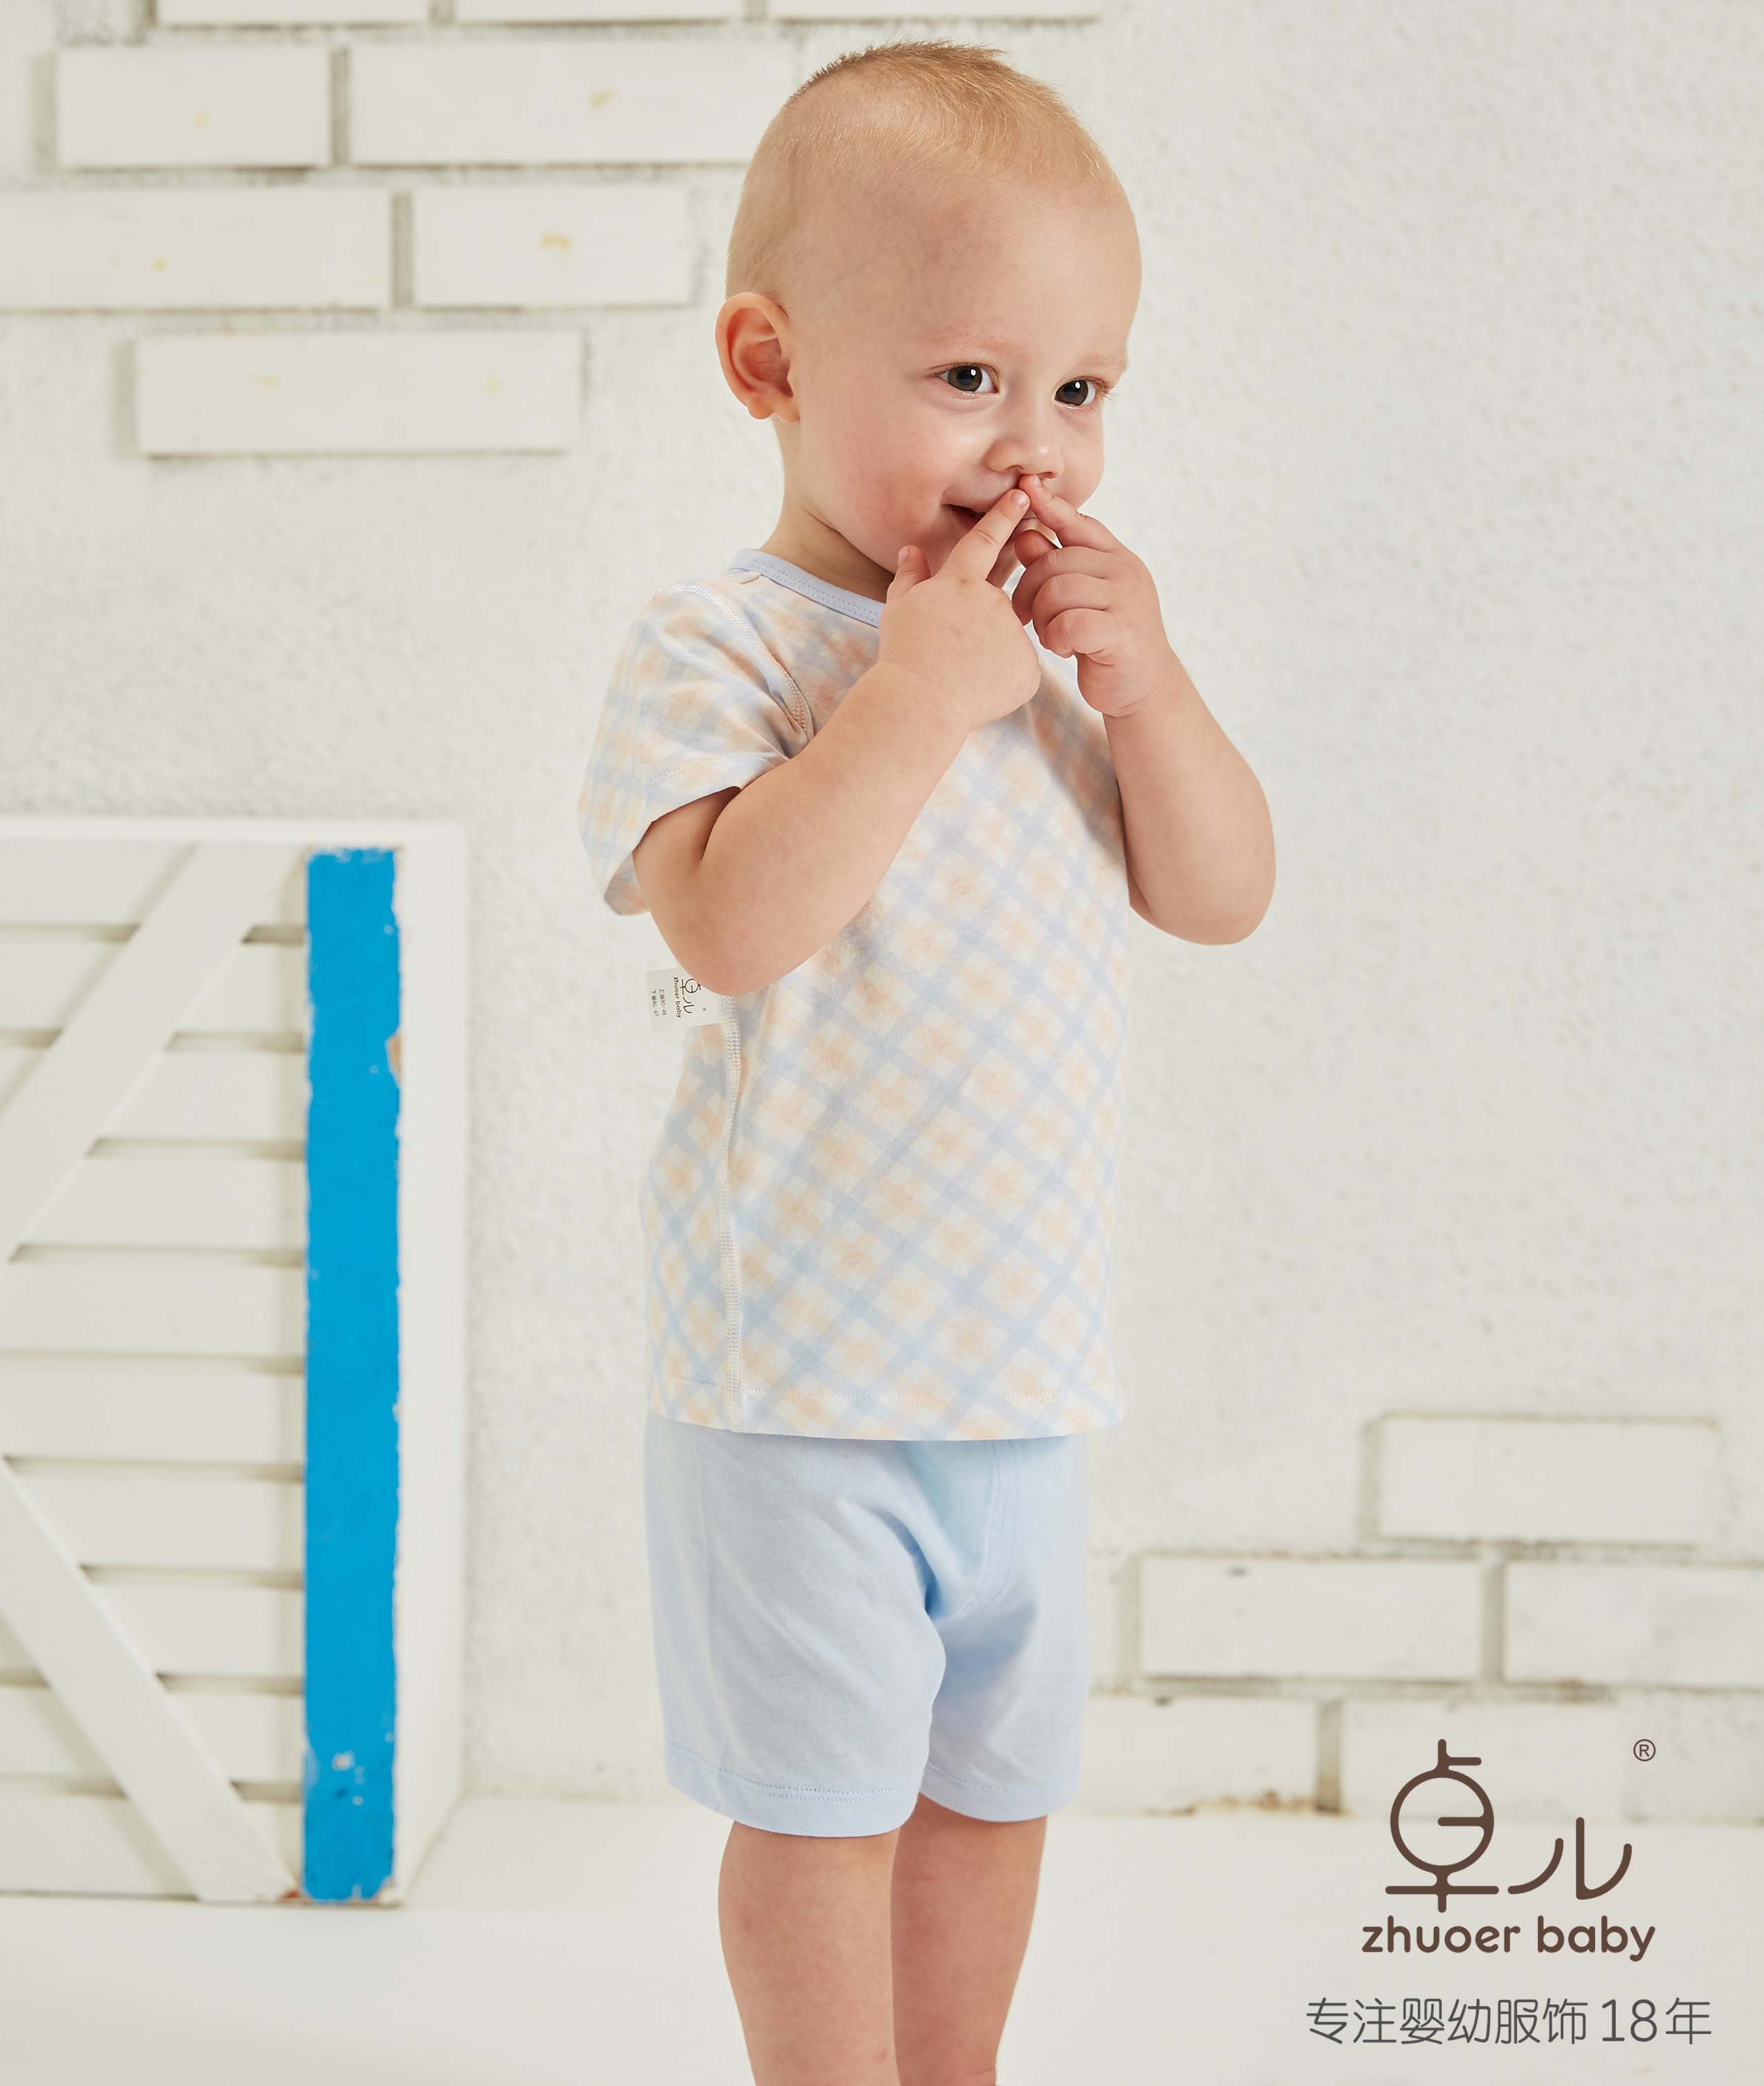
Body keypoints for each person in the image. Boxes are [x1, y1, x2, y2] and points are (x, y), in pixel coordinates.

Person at [575, 38, 1274, 2085]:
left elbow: (1219, 895)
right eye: (973, 377)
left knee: (989, 1792)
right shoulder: (723, 646)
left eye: (1085, 390)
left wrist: (1150, 693)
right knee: (821, 1809)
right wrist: (907, 700)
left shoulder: (1046, 677)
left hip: (1020, 1370)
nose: (1034, 450)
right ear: (769, 363)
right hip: (799, 1379)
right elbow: (727, 923)